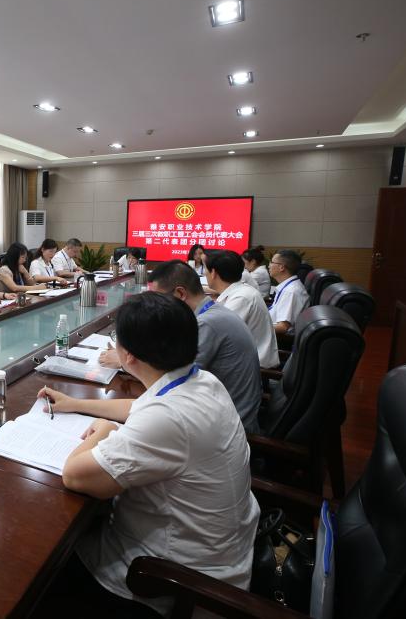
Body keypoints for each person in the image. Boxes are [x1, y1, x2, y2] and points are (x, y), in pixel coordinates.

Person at [38, 292, 259, 616]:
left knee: (42, 564)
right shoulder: (201, 380)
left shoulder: (167, 418)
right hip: (221, 554)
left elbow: (74, 475)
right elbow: (139, 406)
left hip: (170, 582)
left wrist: (103, 432)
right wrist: (75, 404)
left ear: (127, 356)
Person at [100, 260, 263, 433]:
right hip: (216, 411)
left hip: (226, 423)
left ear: (180, 294)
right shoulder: (212, 313)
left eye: (158, 299)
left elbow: (169, 377)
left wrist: (125, 359)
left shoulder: (206, 324)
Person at [206, 250, 280, 369]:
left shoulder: (241, 298)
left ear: (213, 273)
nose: (205, 274)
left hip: (252, 367)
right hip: (243, 360)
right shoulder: (239, 291)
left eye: (205, 270)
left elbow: (216, 336)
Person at [268, 249, 310, 336]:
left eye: (272, 262)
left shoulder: (291, 291)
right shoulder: (288, 286)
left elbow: (283, 327)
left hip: (278, 338)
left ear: (281, 267)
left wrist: (256, 328)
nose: (269, 266)